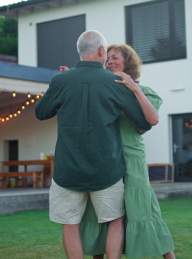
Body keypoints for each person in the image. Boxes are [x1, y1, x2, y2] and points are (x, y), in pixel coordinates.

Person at [35, 31, 152, 259]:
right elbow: (143, 121)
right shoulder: (115, 81)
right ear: (101, 51)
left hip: (67, 170)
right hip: (107, 169)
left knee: (70, 225)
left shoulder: (60, 80)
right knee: (115, 221)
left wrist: (63, 86)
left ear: (79, 51)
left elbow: (41, 112)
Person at [78, 43, 176, 259]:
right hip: (103, 158)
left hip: (131, 158)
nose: (110, 61)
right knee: (101, 211)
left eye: (115, 58)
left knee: (143, 209)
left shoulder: (145, 92)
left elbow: (152, 120)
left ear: (128, 62)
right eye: (108, 58)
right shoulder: (102, 91)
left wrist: (134, 88)